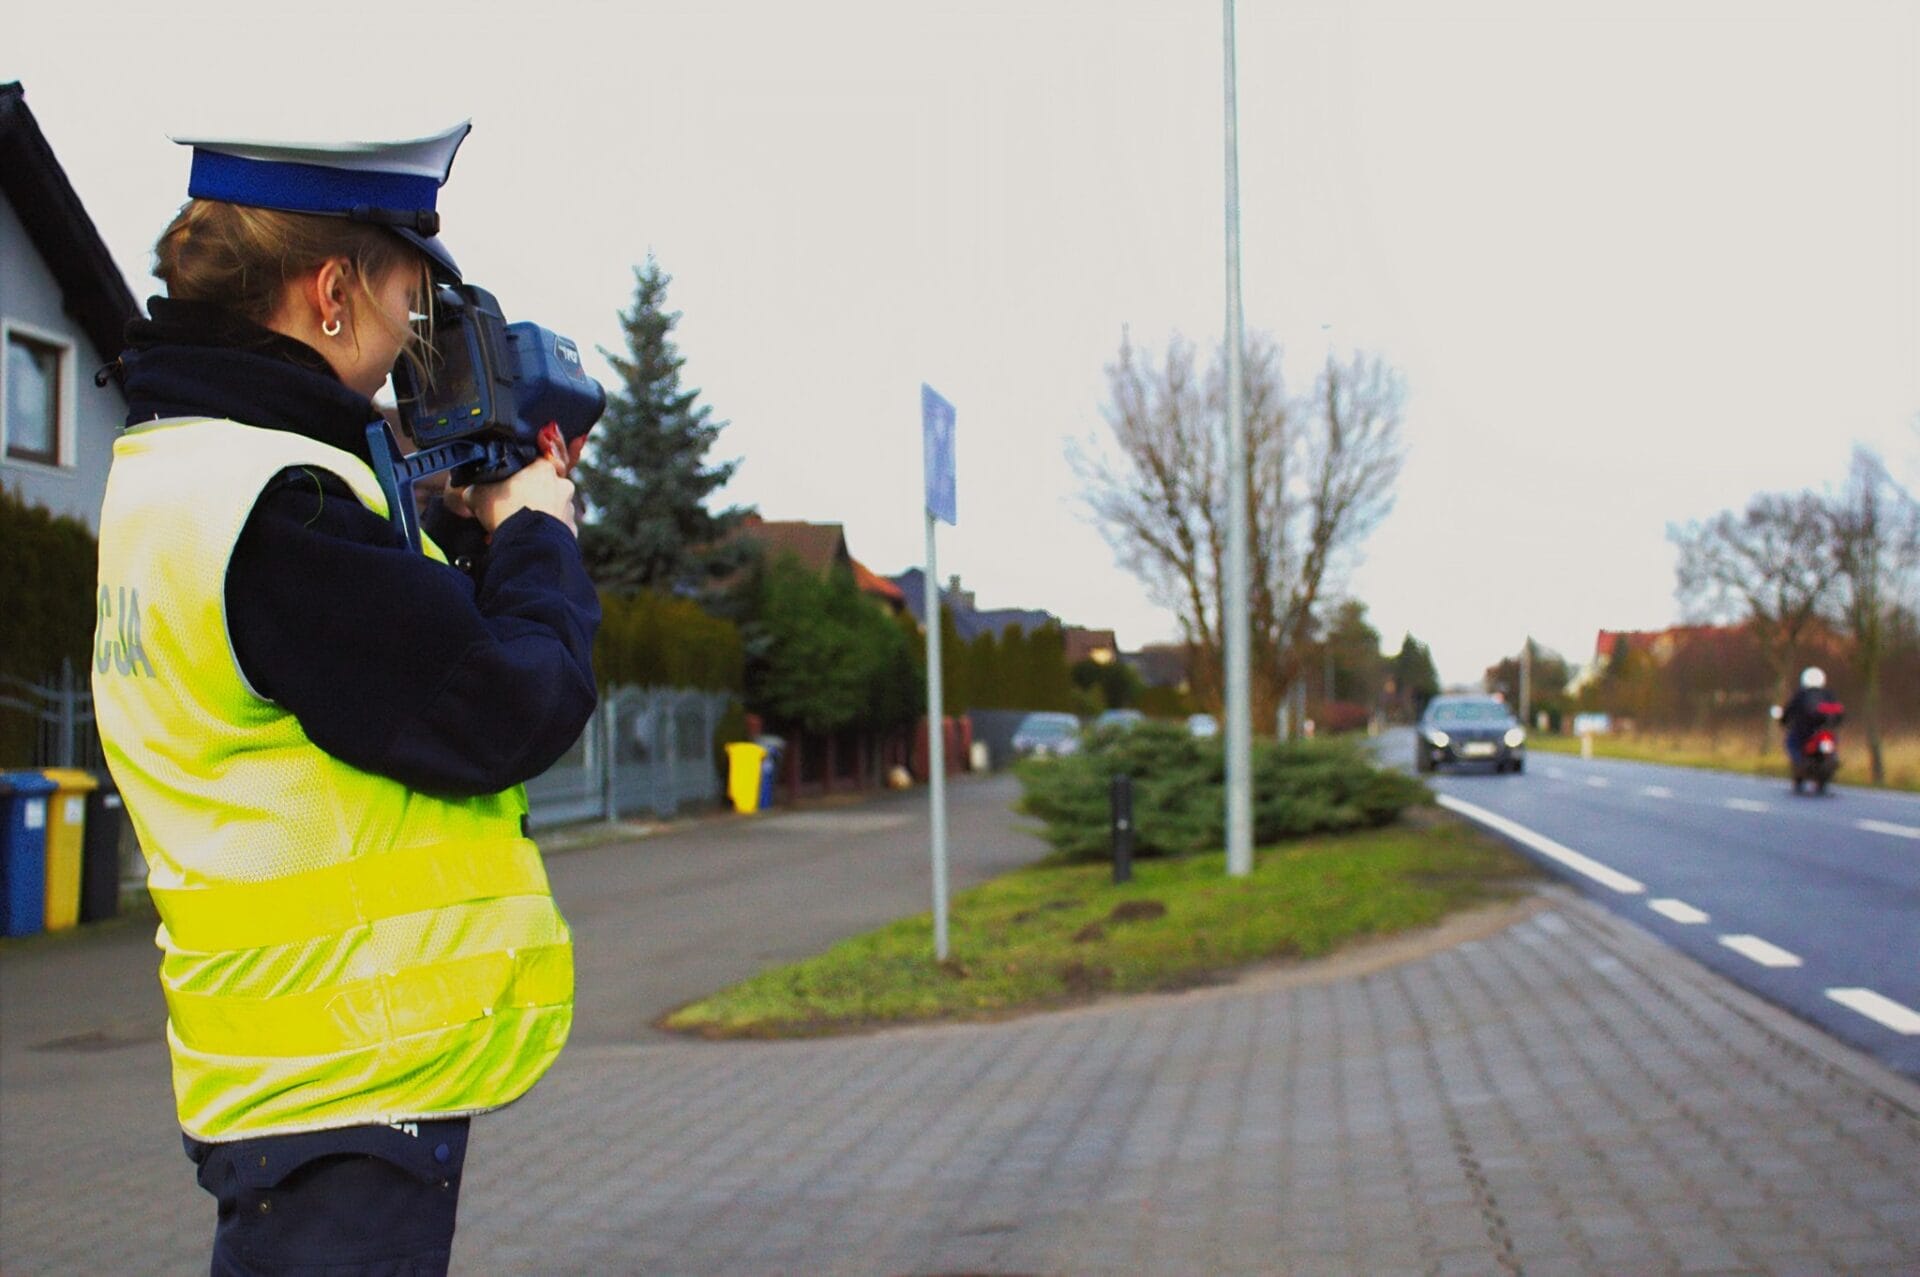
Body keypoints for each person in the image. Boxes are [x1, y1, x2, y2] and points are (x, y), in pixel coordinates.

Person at [91, 122, 600, 1275]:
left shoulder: (196, 470)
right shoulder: (284, 511)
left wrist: (464, 534)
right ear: (331, 292)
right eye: (405, 301)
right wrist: (534, 532)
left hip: (294, 1073)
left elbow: (378, 680)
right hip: (340, 1081)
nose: (412, 340)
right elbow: (506, 705)